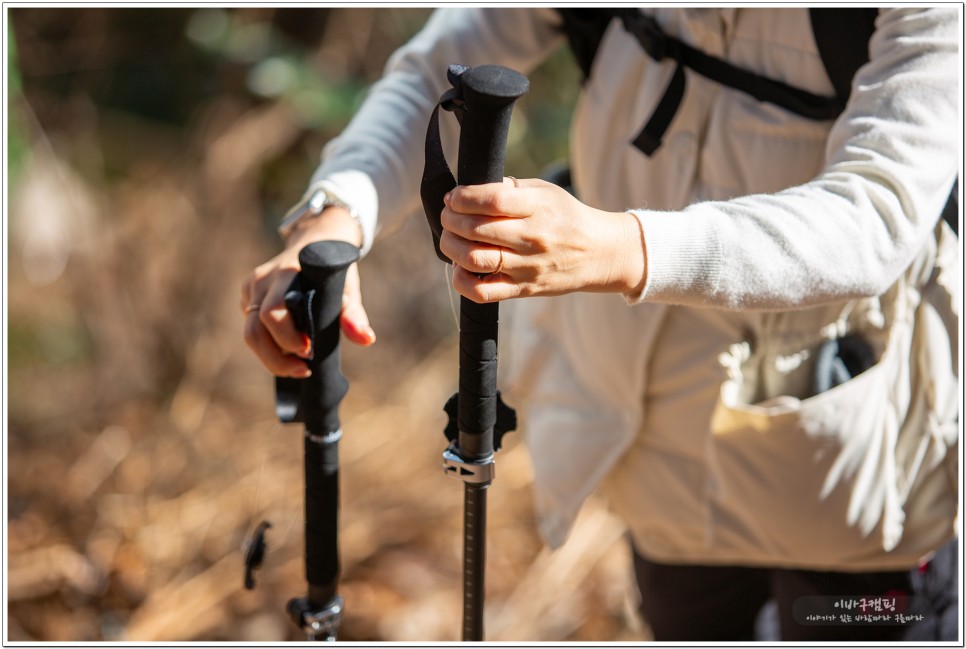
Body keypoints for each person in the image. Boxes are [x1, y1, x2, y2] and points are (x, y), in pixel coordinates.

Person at [241, 8, 960, 641]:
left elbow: (876, 213)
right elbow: (438, 63)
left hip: (860, 468)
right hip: (653, 457)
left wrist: (617, 247)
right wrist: (336, 214)